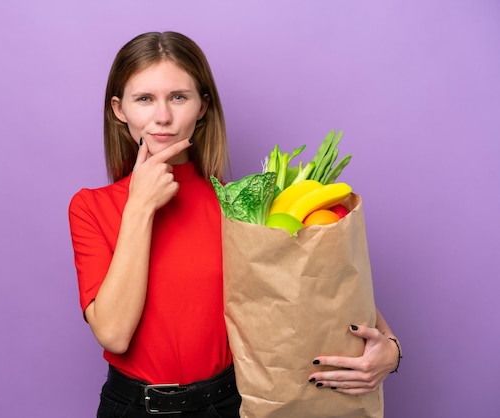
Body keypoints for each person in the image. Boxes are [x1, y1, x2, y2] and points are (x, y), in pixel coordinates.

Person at [68, 31, 401, 417]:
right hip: (134, 408)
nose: (162, 116)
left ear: (203, 106)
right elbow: (113, 334)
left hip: (229, 404)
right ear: (119, 109)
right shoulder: (91, 207)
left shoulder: (241, 207)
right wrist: (140, 207)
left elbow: (325, 288)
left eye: (179, 97)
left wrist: (390, 350)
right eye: (144, 99)